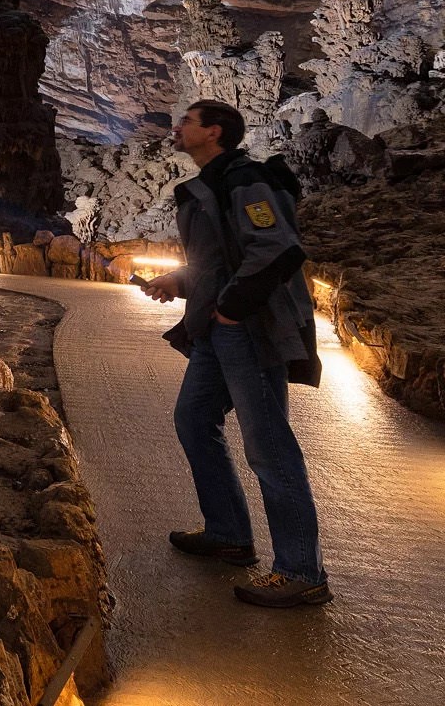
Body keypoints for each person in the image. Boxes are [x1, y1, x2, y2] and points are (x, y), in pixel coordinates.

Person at [138, 99, 329, 607]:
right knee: (194, 419)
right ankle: (228, 533)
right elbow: (221, 260)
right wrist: (178, 282)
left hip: (248, 330)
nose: (177, 127)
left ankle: (301, 571)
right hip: (217, 327)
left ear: (214, 132)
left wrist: (230, 310)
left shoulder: (244, 181)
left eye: (188, 122)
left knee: (268, 445)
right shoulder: (212, 184)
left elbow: (278, 249)